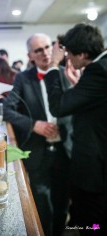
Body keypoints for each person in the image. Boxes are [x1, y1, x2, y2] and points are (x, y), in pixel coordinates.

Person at [3, 33, 73, 236]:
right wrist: (34, 125)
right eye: (38, 50)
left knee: (62, 203)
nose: (46, 52)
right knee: (41, 204)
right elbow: (7, 110)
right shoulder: (23, 78)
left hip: (64, 149)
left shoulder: (65, 73)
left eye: (48, 47)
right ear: (30, 56)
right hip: (37, 150)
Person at [44, 23, 107, 235]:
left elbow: (59, 106)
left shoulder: (99, 72)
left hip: (95, 167)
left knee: (91, 222)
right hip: (95, 159)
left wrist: (53, 66)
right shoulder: (100, 68)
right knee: (83, 216)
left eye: (69, 54)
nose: (67, 59)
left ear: (82, 54)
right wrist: (78, 86)